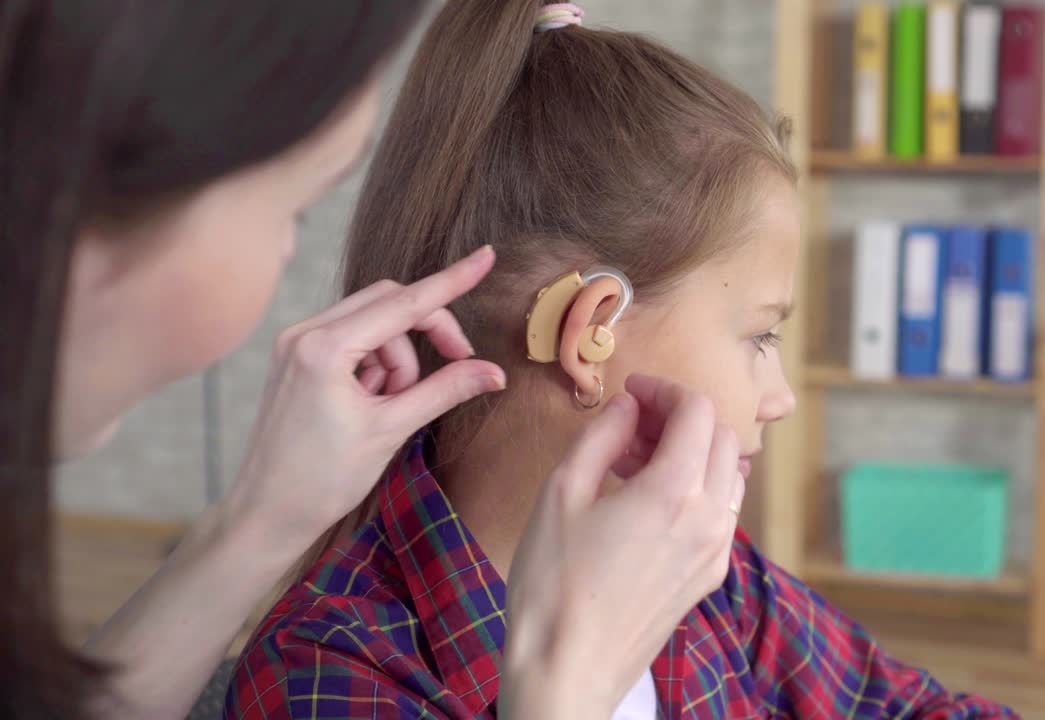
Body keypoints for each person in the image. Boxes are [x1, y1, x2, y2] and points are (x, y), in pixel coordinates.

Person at [227, 2, 1020, 718]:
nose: (778, 397)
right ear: (591, 334)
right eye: (760, 338)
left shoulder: (708, 578)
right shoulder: (330, 678)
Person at [0, 2, 742, 718]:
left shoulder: (719, 582)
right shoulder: (334, 675)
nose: (288, 256)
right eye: (294, 206)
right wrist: (564, 696)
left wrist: (262, 520)